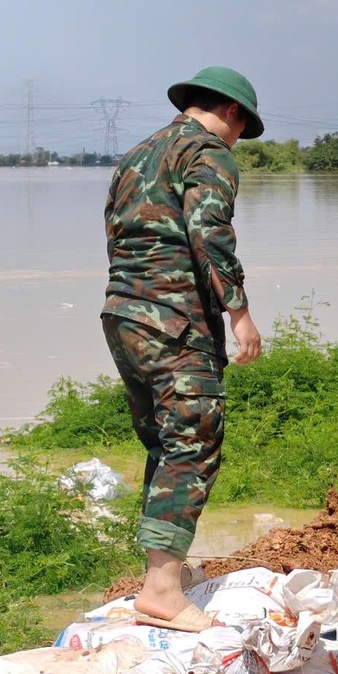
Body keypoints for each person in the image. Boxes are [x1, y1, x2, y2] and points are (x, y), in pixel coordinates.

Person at [101, 66, 265, 632]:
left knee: (166, 443)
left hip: (122, 313)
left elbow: (118, 232)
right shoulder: (209, 152)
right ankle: (163, 589)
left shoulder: (139, 153)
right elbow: (209, 231)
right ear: (233, 113)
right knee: (194, 441)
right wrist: (239, 314)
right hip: (174, 319)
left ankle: (163, 572)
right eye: (242, 128)